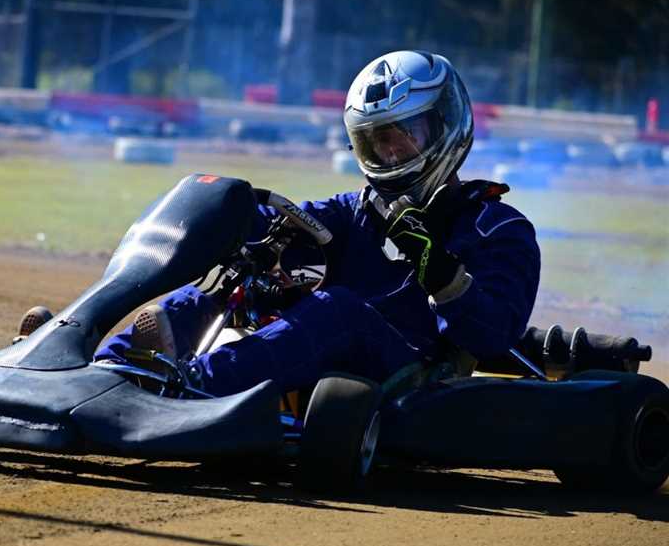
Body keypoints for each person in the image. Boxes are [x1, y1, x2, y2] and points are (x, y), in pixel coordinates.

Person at [30, 50, 541, 397]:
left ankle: (189, 384)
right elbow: (288, 225)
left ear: (445, 126)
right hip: (337, 367)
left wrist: (436, 267)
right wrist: (236, 221)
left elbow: (494, 334)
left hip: (416, 374)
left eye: (402, 136)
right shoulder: (353, 210)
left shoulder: (496, 227)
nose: (389, 152)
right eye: (376, 140)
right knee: (229, 285)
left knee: (340, 307)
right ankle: (85, 369)